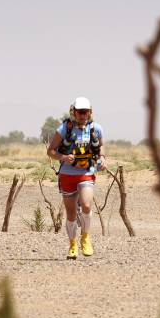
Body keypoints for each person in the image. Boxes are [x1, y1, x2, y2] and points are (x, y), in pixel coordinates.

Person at [46, 96, 107, 259]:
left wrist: (102, 158)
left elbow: (101, 147)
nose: (82, 115)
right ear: (73, 112)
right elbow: (50, 151)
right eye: (79, 112)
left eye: (85, 112)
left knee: (86, 205)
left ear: (90, 113)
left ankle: (85, 238)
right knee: (71, 214)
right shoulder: (64, 129)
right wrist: (63, 158)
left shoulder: (96, 129)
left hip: (86, 173)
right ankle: (72, 244)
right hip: (67, 175)